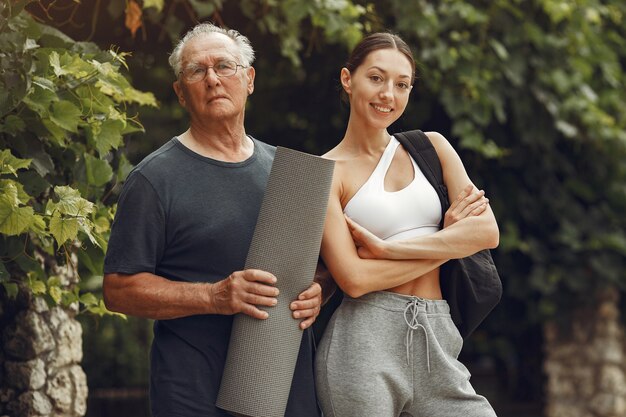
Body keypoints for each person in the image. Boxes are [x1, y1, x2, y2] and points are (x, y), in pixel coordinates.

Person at [102, 22, 323, 417]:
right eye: (196, 71)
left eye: (224, 66)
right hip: (193, 393)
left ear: (249, 79)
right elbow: (119, 290)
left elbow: (323, 265)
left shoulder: (289, 173)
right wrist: (214, 296)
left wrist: (318, 291)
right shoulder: (153, 179)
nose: (212, 80)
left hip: (284, 388)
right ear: (180, 93)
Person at [315, 32, 500, 416]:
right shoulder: (323, 173)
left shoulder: (432, 147)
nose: (388, 94)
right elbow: (354, 279)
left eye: (402, 85)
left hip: (438, 336)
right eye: (377, 78)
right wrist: (449, 240)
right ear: (348, 79)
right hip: (363, 342)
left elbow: (486, 233)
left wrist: (387, 250)